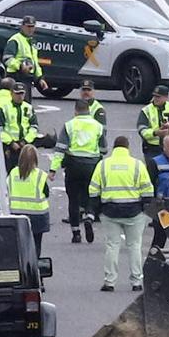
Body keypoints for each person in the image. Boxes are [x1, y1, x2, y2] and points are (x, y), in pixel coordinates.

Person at [88, 136, 154, 292]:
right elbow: (148, 190)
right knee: (135, 246)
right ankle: (137, 281)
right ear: (128, 147)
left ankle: (109, 282)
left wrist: (94, 210)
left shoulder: (103, 165)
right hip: (134, 211)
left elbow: (93, 190)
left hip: (110, 211)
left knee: (112, 246)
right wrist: (145, 208)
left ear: (114, 147)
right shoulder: (137, 165)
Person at [50, 98, 107, 244]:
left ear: (75, 111)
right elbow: (104, 149)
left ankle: (76, 233)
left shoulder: (69, 125)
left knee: (73, 199)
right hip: (92, 165)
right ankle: (89, 216)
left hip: (73, 165)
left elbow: (60, 149)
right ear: (89, 111)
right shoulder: (98, 126)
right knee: (91, 195)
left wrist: (53, 170)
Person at [9, 144, 50, 255]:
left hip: (17, 213)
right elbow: (46, 193)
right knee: (36, 244)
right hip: (37, 214)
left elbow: (7, 189)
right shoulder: (40, 174)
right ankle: (34, 267)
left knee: (19, 245)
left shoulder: (13, 173)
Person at [148, 134, 169, 248]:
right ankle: (154, 262)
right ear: (164, 147)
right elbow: (150, 185)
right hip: (161, 206)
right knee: (159, 238)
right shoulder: (155, 162)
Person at [2, 15, 47, 102]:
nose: (30, 29)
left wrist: (40, 79)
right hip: (15, 78)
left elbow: (35, 62)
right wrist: (20, 66)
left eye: (32, 26)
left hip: (27, 79)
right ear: (22, 26)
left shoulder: (32, 41)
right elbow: (7, 59)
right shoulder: (15, 40)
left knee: (26, 107)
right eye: (28, 26)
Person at [0, 82, 39, 170]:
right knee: (9, 171)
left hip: (25, 146)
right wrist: (11, 143)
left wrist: (25, 141)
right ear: (11, 93)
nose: (20, 96)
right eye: (17, 93)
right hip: (9, 147)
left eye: (22, 93)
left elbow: (34, 127)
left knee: (28, 171)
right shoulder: (4, 108)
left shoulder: (29, 108)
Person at [137, 85, 169, 161]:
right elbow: (142, 130)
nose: (155, 98)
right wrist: (155, 133)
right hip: (152, 149)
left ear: (166, 97)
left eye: (158, 97)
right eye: (154, 96)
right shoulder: (146, 110)